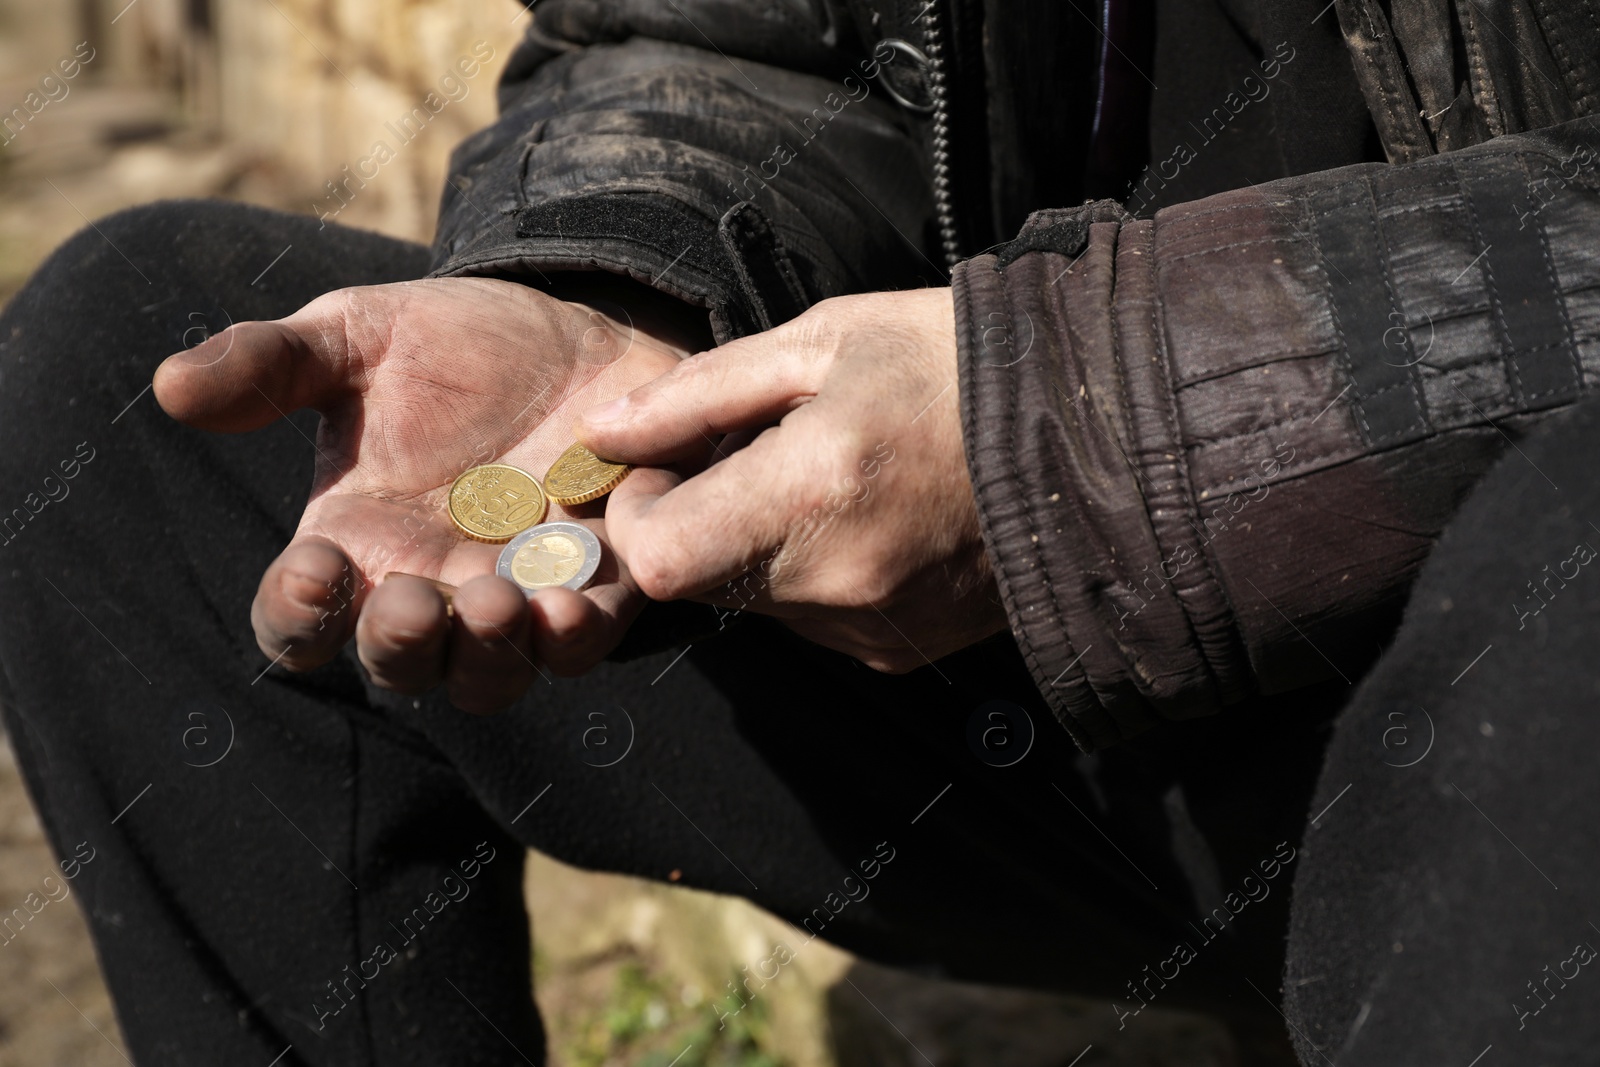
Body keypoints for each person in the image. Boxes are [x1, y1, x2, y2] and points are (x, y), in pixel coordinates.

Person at [3, 0, 1599, 1063]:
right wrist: (606, 283)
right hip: (1093, 699)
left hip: (1506, 744)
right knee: (116, 370)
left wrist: (1077, 424)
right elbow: (726, 30)